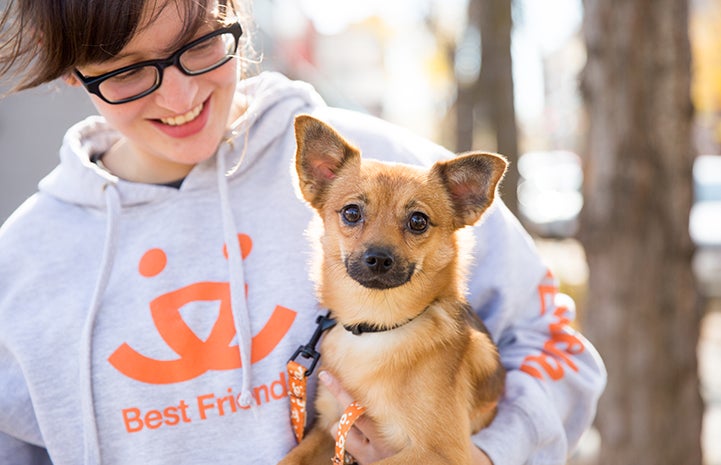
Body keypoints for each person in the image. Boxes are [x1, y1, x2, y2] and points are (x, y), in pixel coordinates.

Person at [0, 1, 606, 464]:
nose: (180, 96)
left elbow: (556, 346)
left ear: (233, 13)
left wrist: (478, 454)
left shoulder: (386, 167)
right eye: (129, 71)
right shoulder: (22, 266)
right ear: (72, 72)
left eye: (199, 43)